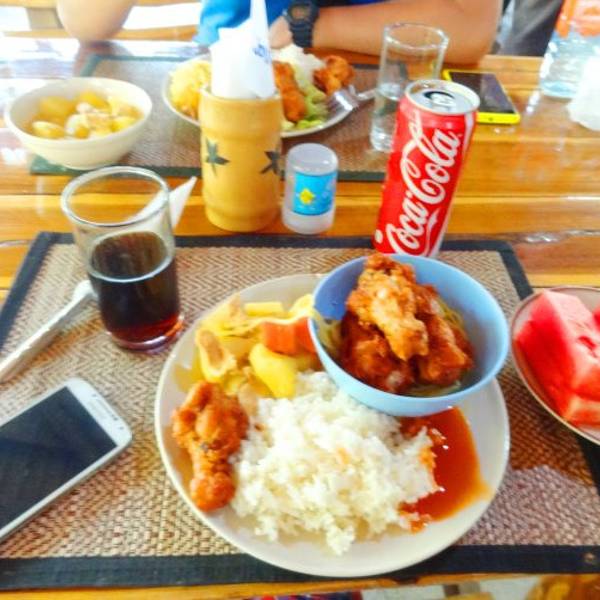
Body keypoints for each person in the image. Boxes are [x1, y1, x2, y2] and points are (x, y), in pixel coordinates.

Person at [56, 0, 501, 64]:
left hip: (380, 92)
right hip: (219, 81)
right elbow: (84, 21)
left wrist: (309, 26)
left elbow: (471, 28)